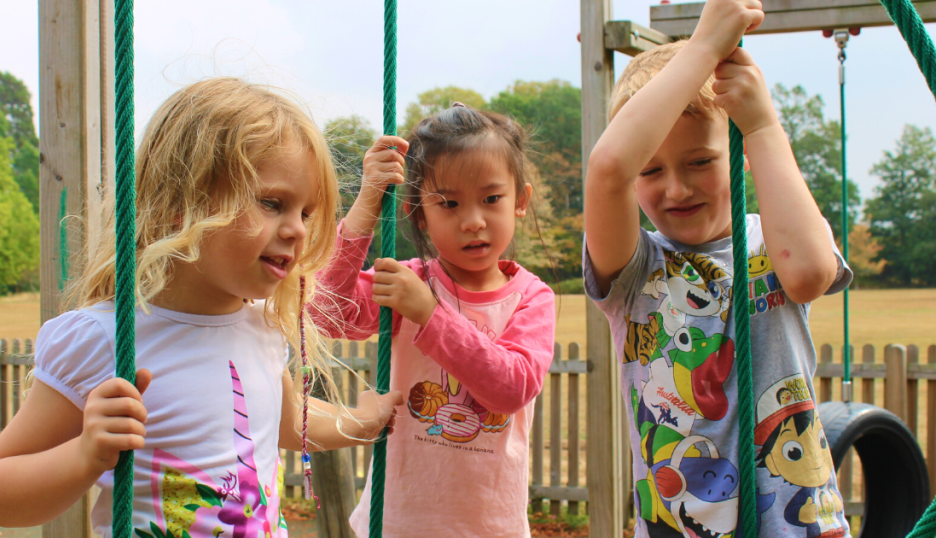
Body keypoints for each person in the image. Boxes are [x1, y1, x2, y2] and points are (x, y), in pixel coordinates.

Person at [0, 78, 403, 538]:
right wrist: (84, 454)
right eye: (273, 203)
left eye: (305, 213)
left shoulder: (263, 327)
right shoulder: (105, 340)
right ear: (183, 203)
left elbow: (286, 419)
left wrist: (363, 420)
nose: (297, 230)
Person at [582, 0, 852, 536]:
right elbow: (609, 167)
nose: (676, 189)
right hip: (683, 522)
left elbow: (808, 276)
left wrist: (762, 123)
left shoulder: (775, 234)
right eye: (651, 169)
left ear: (740, 154)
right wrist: (704, 47)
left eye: (700, 162)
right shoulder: (636, 267)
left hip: (799, 524)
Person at [315, 103, 557, 537]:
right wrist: (368, 202)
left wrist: (428, 313)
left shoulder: (531, 298)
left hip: (489, 525)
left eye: (491, 198)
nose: (473, 221)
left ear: (520, 200)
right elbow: (324, 311)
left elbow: (512, 387)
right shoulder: (408, 282)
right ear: (420, 214)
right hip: (401, 519)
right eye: (449, 203)